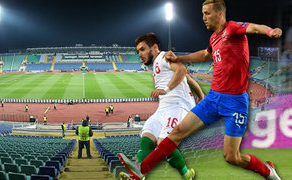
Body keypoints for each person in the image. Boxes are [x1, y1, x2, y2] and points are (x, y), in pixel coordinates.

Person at [119, 1, 282, 180]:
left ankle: (267, 171)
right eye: (202, 14)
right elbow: (205, 54)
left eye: (207, 13)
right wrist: (180, 57)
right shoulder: (214, 38)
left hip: (235, 102)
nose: (203, 18)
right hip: (213, 98)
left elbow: (254, 27)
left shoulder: (232, 28)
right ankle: (142, 169)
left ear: (219, 14)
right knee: (177, 132)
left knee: (231, 157)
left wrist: (269, 31)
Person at [119, 32, 205, 180]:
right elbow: (188, 78)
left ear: (154, 47)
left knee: (164, 143)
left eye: (142, 49)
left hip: (178, 106)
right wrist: (201, 96)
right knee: (147, 135)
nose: (139, 54)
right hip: (163, 108)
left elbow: (182, 70)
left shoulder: (164, 56)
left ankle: (186, 174)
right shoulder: (157, 64)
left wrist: (165, 89)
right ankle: (138, 174)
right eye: (138, 50)